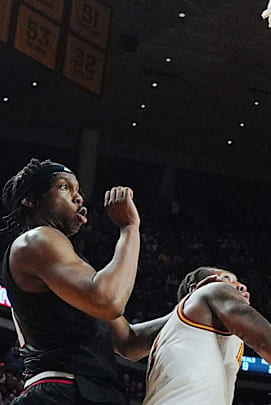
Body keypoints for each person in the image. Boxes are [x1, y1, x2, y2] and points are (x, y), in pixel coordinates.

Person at [0, 158, 161, 404]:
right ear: (31, 199)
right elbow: (110, 301)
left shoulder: (68, 269)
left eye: (79, 192)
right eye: (65, 187)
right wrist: (129, 228)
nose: (78, 198)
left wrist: (192, 307)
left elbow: (130, 343)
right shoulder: (36, 239)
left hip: (86, 393)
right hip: (62, 391)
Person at [143, 266, 271, 405]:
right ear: (196, 288)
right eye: (227, 279)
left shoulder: (170, 328)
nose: (241, 286)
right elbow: (267, 341)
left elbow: (126, 342)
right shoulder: (212, 291)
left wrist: (130, 229)